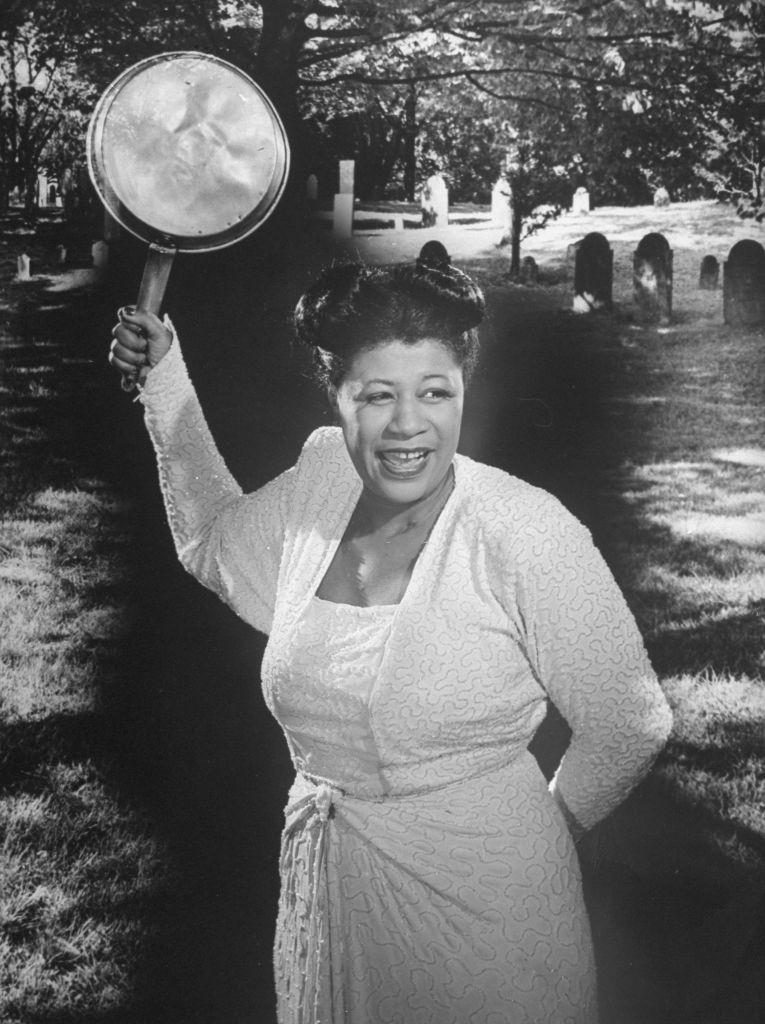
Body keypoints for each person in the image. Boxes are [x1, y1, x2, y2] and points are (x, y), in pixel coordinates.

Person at [109, 257, 673, 1024]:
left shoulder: (523, 530)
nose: (410, 425)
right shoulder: (320, 483)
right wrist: (165, 380)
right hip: (335, 900)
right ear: (336, 396)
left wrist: (540, 830)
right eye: (378, 395)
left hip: (494, 923)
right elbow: (213, 538)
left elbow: (630, 720)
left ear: (462, 390)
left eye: (434, 392)